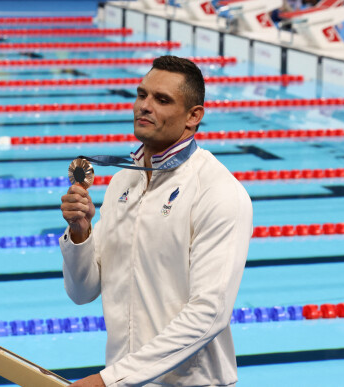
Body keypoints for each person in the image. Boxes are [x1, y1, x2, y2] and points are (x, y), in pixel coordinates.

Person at [59, 55, 253, 387]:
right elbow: (83, 291)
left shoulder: (217, 191)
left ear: (194, 117)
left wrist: (109, 381)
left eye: (162, 100)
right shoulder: (124, 182)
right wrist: (81, 234)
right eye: (142, 94)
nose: (144, 106)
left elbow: (209, 314)